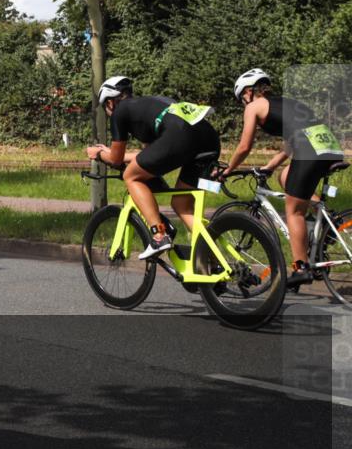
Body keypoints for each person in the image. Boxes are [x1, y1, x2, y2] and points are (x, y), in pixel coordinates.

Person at [219, 68, 345, 287]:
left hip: (310, 151)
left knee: (294, 211)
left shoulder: (254, 107)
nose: (243, 104)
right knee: (285, 176)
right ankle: (327, 218)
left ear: (248, 92)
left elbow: (244, 146)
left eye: (242, 99)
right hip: (329, 145)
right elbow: (289, 145)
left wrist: (228, 169)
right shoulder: (285, 102)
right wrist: (269, 167)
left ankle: (300, 267)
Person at [86, 76, 222, 260]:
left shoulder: (120, 112)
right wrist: (112, 153)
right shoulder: (150, 105)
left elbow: (116, 160)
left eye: (105, 107)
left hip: (180, 137)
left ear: (110, 102)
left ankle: (159, 235)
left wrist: (99, 153)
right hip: (207, 138)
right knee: (181, 205)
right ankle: (215, 261)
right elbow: (150, 156)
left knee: (131, 176)